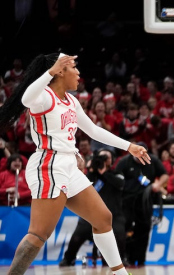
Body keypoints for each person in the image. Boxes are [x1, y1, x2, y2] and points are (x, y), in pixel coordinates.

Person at [0, 53, 150, 275]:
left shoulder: (71, 101)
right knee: (39, 233)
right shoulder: (44, 97)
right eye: (74, 68)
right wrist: (49, 71)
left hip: (68, 164)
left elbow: (93, 130)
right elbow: (25, 99)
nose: (79, 73)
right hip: (48, 164)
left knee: (103, 218)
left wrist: (129, 146)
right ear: (60, 71)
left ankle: (120, 273)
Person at [59, 148, 126, 267]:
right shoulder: (91, 175)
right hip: (91, 214)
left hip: (114, 214)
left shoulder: (117, 173)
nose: (104, 161)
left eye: (107, 158)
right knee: (77, 236)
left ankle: (120, 261)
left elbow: (120, 184)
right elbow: (81, 185)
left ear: (112, 160)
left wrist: (104, 173)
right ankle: (68, 259)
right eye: (101, 158)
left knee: (119, 235)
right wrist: (91, 170)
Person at [115, 141, 168, 267]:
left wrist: (158, 185)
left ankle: (140, 259)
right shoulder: (124, 161)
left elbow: (164, 175)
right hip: (127, 201)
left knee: (143, 229)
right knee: (125, 229)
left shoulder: (153, 161)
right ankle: (125, 258)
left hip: (145, 201)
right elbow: (116, 177)